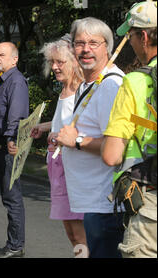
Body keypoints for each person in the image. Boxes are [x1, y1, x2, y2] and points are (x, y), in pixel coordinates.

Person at [55, 17, 125, 258]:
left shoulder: (109, 86)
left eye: (94, 43)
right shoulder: (89, 83)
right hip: (91, 200)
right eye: (80, 43)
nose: (86, 49)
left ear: (108, 46)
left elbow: (116, 148)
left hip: (104, 202)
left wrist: (75, 141)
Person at [102, 0, 157, 258]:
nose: (131, 42)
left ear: (144, 36)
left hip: (150, 207)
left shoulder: (135, 81)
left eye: (131, 35)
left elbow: (111, 155)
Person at [31, 35, 87, 257]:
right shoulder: (64, 89)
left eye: (59, 62)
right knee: (69, 231)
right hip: (56, 165)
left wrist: (60, 136)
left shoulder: (83, 91)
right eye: (51, 62)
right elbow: (62, 120)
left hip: (72, 166)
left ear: (74, 61)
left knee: (79, 231)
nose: (54, 66)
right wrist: (44, 128)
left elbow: (87, 130)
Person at [0, 42, 29, 258]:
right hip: (1, 145)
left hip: (9, 146)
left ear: (14, 59)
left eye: (2, 54)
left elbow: (17, 114)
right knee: (8, 197)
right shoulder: (3, 81)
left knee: (12, 197)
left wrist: (12, 138)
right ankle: (13, 244)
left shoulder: (16, 81)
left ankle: (15, 246)